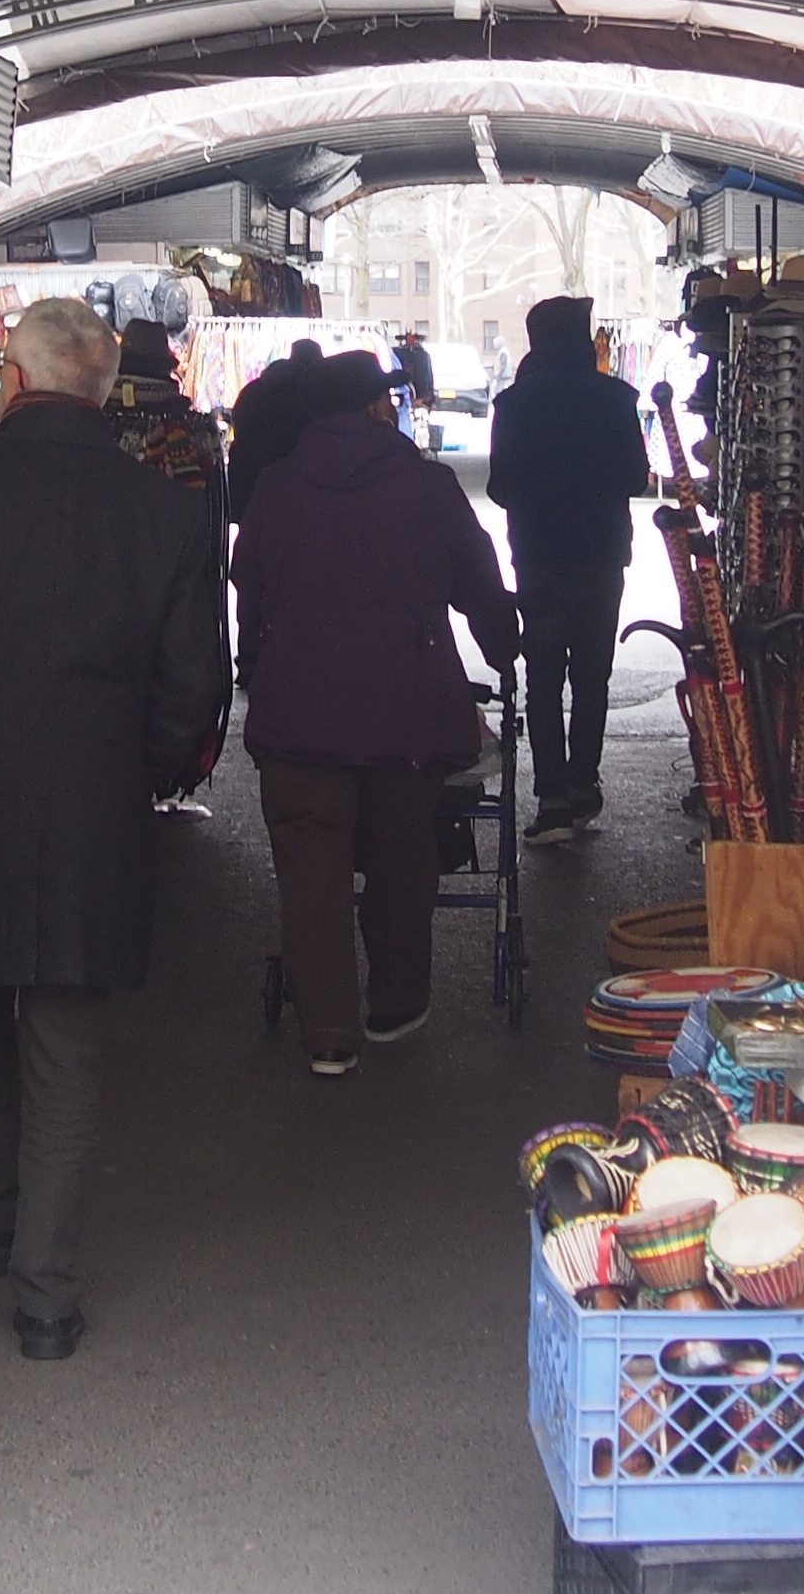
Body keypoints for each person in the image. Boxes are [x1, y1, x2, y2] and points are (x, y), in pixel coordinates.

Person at [0, 296, 229, 1358]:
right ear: (101, 387)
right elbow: (194, 684)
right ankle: (46, 1293)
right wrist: (147, 773)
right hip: (94, 802)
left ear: (14, 381)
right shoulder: (162, 512)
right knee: (67, 1042)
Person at [233, 353, 518, 1072]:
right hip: (408, 713)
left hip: (298, 714)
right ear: (374, 409)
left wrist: (251, 671)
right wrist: (506, 646)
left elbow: (251, 593)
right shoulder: (428, 488)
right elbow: (479, 582)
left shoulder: (276, 488)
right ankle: (397, 1001)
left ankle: (328, 1031)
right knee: (402, 857)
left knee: (311, 869)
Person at [484, 293, 651, 835]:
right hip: (601, 555)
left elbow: (500, 487)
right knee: (591, 678)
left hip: (538, 554)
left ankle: (552, 797)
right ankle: (584, 784)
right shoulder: (616, 399)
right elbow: (633, 479)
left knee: (544, 677)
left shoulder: (513, 404)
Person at [222, 333, 334, 528]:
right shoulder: (314, 398)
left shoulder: (253, 390)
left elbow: (240, 430)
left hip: (249, 489)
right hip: (296, 498)